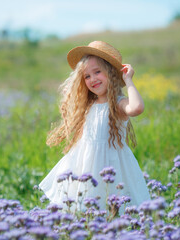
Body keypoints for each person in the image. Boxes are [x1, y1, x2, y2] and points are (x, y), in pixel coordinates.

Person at [39, 41, 150, 212]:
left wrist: (128, 81)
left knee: (113, 209)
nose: (92, 79)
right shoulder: (88, 105)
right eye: (87, 76)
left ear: (111, 73)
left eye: (97, 72)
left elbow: (136, 108)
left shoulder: (118, 104)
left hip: (112, 169)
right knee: (82, 208)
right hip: (85, 166)